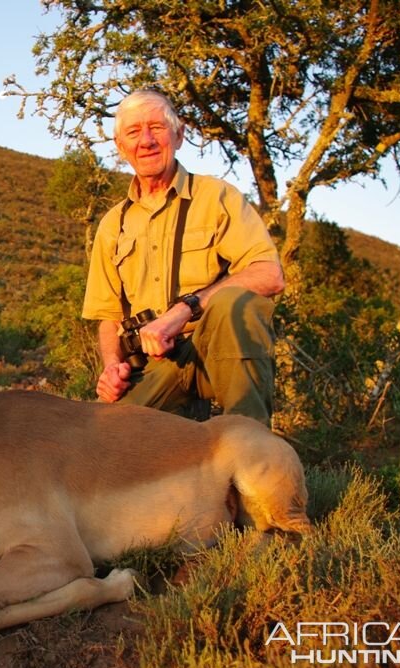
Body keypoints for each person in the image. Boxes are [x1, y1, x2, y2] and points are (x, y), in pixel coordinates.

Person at [82, 90, 284, 426]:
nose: (146, 140)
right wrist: (111, 367)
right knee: (102, 440)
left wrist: (184, 310)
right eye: (134, 132)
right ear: (121, 146)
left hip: (216, 353)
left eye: (157, 128)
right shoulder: (112, 225)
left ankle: (249, 446)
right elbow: (108, 317)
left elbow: (269, 275)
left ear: (179, 135)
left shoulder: (216, 196)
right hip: (157, 367)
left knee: (236, 302)